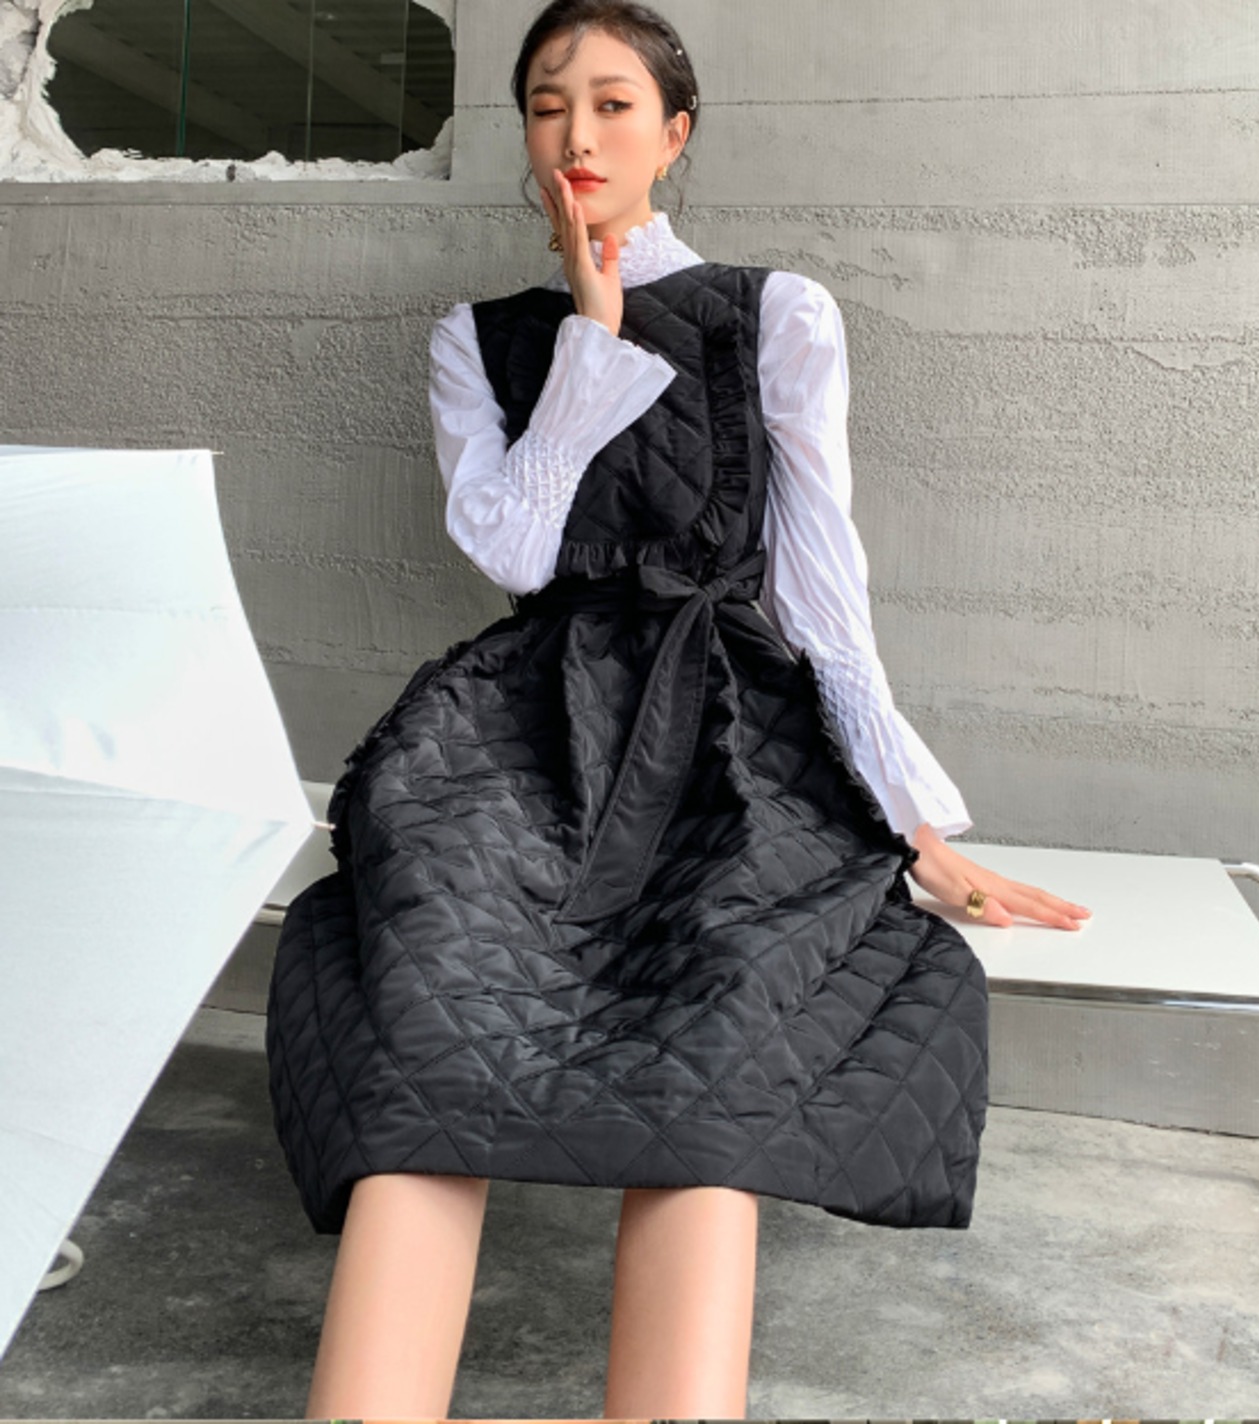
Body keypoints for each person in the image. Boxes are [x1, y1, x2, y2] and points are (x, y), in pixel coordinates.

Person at [264, 2, 1092, 1418]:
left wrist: (912, 823)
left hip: (735, 730)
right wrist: (589, 343)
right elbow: (516, 554)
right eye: (546, 106)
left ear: (675, 134)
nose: (576, 136)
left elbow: (823, 585)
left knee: (715, 1037)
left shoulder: (779, 314)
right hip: (519, 736)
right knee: (428, 1018)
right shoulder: (479, 338)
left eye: (612, 104)